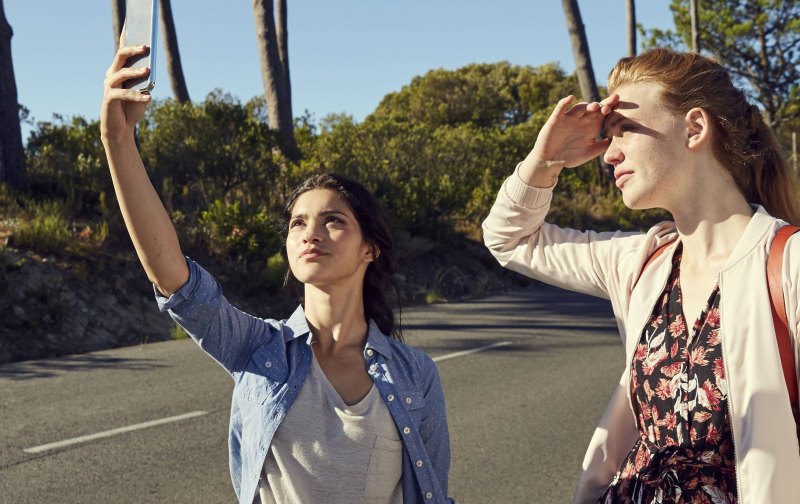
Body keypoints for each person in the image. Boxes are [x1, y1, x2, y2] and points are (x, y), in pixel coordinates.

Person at [101, 44, 453, 504]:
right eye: (298, 223)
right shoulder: (258, 350)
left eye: (334, 220)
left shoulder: (415, 373)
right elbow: (171, 273)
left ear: (370, 248)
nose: (311, 233)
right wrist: (117, 141)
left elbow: (432, 496)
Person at [482, 48, 800, 503]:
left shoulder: (788, 264)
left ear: (694, 128)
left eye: (625, 129)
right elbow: (508, 239)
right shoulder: (642, 261)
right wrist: (545, 159)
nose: (609, 154)